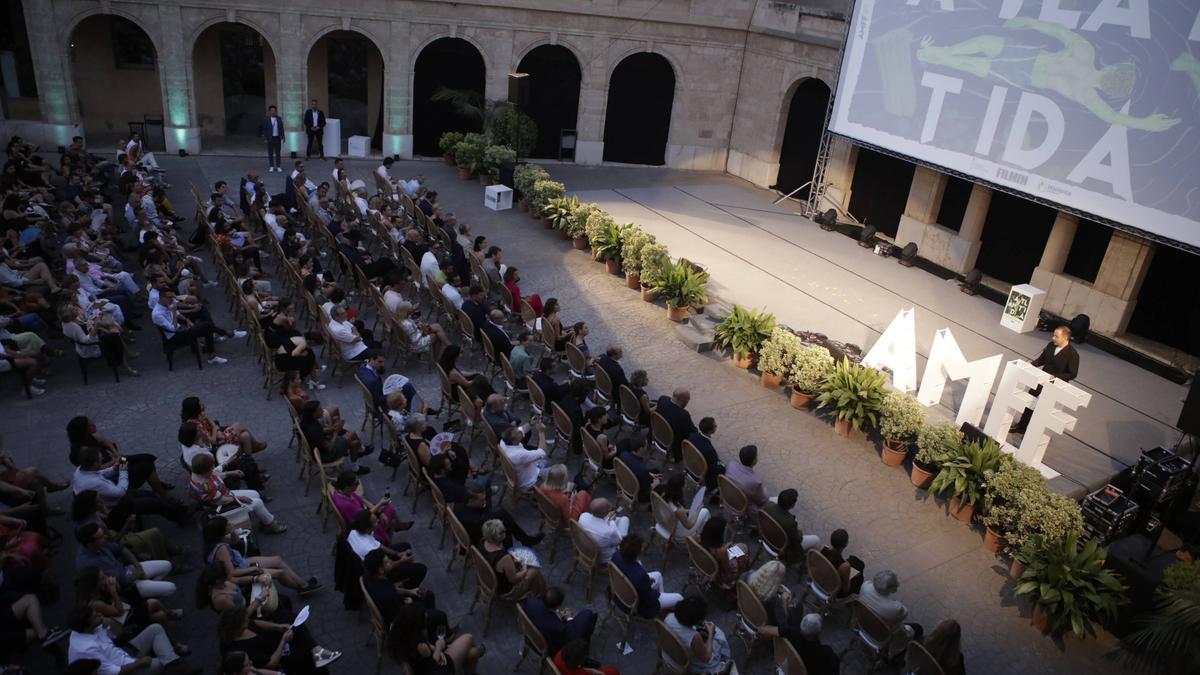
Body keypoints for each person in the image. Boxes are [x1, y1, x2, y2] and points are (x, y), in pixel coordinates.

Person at [202, 516, 320, 594]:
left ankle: (302, 585)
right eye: (228, 524)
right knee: (280, 572)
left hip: (241, 561)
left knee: (278, 560)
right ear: (222, 530)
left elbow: (235, 541)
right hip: (241, 569)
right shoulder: (221, 549)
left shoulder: (216, 540)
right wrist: (254, 568)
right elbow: (231, 573)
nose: (231, 523)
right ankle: (301, 587)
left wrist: (232, 531)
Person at [67, 605, 196, 675]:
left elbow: (119, 633)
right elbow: (114, 672)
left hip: (123, 653)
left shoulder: (89, 626)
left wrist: (109, 622)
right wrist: (141, 663)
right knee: (160, 663)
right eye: (96, 616)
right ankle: (176, 667)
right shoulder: (86, 650)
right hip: (125, 669)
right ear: (86, 625)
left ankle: (176, 667)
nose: (100, 615)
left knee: (155, 629)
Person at [217, 606, 339, 673]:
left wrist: (277, 627)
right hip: (276, 652)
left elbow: (255, 623)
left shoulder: (242, 626)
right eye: (244, 622)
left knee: (289, 618)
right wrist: (283, 641)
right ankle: (317, 653)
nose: (247, 622)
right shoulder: (240, 650)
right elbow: (270, 664)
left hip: (271, 638)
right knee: (303, 652)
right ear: (235, 628)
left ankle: (317, 651)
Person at [186, 454, 287, 533]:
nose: (213, 468)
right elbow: (222, 501)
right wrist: (240, 498)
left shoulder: (196, 475)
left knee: (255, 494)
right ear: (204, 471)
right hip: (223, 506)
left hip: (225, 494)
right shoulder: (206, 487)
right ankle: (271, 525)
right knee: (257, 503)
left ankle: (264, 519)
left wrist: (230, 469)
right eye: (211, 467)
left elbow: (214, 473)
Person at [1012, 325, 1080, 434]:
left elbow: (1072, 374)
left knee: (1044, 409)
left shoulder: (1073, 355)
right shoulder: (1050, 346)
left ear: (1065, 338)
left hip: (1055, 386)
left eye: (1056, 336)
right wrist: (1032, 365)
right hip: (1042, 379)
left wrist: (1056, 377)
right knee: (1031, 401)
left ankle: (1035, 431)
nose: (1053, 338)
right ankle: (1022, 426)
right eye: (1053, 335)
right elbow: (1041, 360)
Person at [387, 603, 483, 675]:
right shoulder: (421, 647)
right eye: (424, 616)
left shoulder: (397, 630)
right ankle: (478, 654)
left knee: (472, 653)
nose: (427, 616)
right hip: (438, 669)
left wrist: (435, 647)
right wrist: (438, 647)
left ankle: (476, 656)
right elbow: (433, 664)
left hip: (421, 666)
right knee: (469, 639)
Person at [347, 510, 427, 589]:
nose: (378, 520)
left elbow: (379, 545)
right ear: (368, 529)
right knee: (422, 569)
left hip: (376, 561)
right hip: (378, 573)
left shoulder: (355, 530)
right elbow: (386, 567)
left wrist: (396, 553)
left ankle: (404, 565)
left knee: (405, 546)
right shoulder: (369, 549)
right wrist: (402, 561)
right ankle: (408, 588)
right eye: (375, 522)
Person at [152, 290, 234, 365]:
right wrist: (173, 312)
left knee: (207, 325)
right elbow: (172, 328)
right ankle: (227, 334)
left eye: (173, 297)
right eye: (170, 297)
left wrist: (187, 320)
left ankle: (213, 354)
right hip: (175, 336)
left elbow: (178, 314)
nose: (172, 299)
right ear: (162, 298)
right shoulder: (157, 314)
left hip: (182, 329)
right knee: (207, 326)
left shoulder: (166, 304)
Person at [453, 481, 543, 548]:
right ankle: (522, 541)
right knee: (502, 517)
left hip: (477, 522)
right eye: (481, 500)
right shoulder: (474, 521)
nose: (484, 501)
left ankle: (519, 543)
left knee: (503, 520)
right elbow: (483, 525)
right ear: (471, 501)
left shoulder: (458, 507)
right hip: (478, 538)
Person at [329, 470, 411, 544]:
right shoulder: (346, 504)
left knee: (388, 510)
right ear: (347, 486)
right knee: (391, 513)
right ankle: (389, 539)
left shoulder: (343, 492)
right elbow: (364, 517)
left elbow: (362, 500)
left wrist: (380, 512)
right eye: (356, 484)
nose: (358, 485)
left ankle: (397, 527)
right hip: (363, 525)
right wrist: (380, 504)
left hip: (363, 514)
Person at [610, 534, 682, 617]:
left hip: (619, 590)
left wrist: (647, 582)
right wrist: (648, 585)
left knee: (658, 575)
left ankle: (663, 604)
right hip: (639, 604)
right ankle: (664, 609)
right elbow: (649, 598)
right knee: (679, 597)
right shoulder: (641, 576)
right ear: (637, 554)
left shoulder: (615, 556)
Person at [361, 549, 438, 627]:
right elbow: (401, 618)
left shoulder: (368, 576)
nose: (391, 561)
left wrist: (410, 591)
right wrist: (408, 603)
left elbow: (393, 589)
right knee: (429, 597)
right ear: (381, 571)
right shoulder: (388, 596)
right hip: (398, 622)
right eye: (387, 562)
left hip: (391, 606)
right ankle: (428, 626)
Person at [300, 399, 372, 476]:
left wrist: (333, 428)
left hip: (318, 448)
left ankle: (360, 453)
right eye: (320, 410)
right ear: (313, 413)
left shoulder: (307, 421)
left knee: (354, 439)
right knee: (354, 439)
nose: (323, 411)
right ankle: (357, 461)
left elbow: (322, 431)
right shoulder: (314, 430)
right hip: (325, 455)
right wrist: (335, 433)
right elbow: (329, 448)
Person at [664, 596, 732, 674]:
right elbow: (706, 657)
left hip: (669, 650)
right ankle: (723, 662)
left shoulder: (669, 617)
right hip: (683, 661)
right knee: (719, 635)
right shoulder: (694, 637)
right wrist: (710, 634)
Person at [480, 518, 545, 600]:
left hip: (489, 580)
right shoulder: (504, 557)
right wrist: (524, 570)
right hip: (505, 591)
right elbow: (513, 579)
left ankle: (537, 592)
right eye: (502, 531)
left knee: (520, 563)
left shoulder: (482, 542)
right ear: (496, 537)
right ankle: (540, 596)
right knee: (535, 571)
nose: (506, 531)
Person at [756, 611, 840, 675]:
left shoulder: (790, 632)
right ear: (818, 633)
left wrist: (759, 628)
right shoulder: (825, 652)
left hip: (786, 664)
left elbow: (763, 630)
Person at [522, 586, 597, 656]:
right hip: (547, 648)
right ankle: (583, 651)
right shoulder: (558, 627)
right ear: (559, 605)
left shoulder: (530, 602)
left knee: (588, 619)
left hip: (529, 635)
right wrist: (569, 618)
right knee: (588, 616)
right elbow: (571, 636)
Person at [859, 570, 922, 649]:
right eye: (896, 584)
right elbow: (904, 613)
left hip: (862, 625)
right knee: (918, 628)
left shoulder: (865, 586)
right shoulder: (895, 608)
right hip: (880, 637)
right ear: (890, 589)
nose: (898, 585)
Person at [761, 489, 819, 566]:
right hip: (782, 549)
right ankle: (804, 565)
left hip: (765, 538)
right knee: (816, 539)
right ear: (792, 505)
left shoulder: (767, 505)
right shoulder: (790, 522)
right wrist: (799, 530)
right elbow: (798, 540)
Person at [700, 516, 749, 598]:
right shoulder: (721, 551)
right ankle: (743, 574)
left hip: (710, 566)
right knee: (743, 550)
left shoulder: (702, 539)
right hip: (721, 574)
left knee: (739, 547)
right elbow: (728, 571)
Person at [654, 473, 711, 543]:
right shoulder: (679, 509)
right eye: (685, 484)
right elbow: (689, 525)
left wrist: (688, 511)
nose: (686, 486)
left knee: (695, 513)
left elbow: (675, 513)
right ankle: (699, 537)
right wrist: (698, 510)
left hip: (663, 522)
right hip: (676, 532)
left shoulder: (663, 494)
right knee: (705, 512)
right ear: (680, 488)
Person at [577, 498, 629, 565]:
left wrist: (607, 519)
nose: (611, 505)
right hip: (603, 558)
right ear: (605, 512)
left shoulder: (583, 516)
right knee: (625, 519)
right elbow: (619, 541)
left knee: (617, 520)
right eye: (608, 506)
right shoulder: (610, 531)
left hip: (586, 548)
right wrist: (611, 522)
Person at [499, 420, 548, 490]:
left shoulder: (503, 441)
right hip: (530, 481)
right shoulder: (519, 454)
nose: (520, 432)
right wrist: (541, 432)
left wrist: (531, 423)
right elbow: (542, 452)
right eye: (518, 433)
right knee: (559, 471)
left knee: (545, 462)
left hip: (523, 471)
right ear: (514, 440)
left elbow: (522, 429)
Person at [723, 445, 768, 518]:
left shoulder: (731, 465)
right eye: (756, 456)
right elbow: (763, 501)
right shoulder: (755, 482)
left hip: (727, 501)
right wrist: (764, 490)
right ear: (754, 460)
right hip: (743, 510)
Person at [820, 528, 864, 596]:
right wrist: (850, 576)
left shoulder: (823, 551)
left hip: (821, 580)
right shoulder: (845, 566)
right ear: (846, 544)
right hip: (834, 590)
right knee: (859, 574)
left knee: (854, 560)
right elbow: (846, 589)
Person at [686, 417, 724, 494]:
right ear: (711, 430)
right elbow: (713, 469)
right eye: (715, 426)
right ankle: (714, 490)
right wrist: (723, 467)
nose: (716, 426)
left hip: (689, 466)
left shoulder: (692, 436)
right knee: (723, 469)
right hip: (700, 474)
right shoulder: (709, 450)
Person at [657, 389, 696, 462]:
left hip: (657, 434)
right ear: (681, 400)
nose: (687, 402)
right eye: (687, 400)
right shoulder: (683, 415)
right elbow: (692, 431)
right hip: (670, 444)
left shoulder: (662, 399)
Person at [259, 105, 285, 173]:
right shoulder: (266, 119)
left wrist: (283, 137)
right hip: (270, 138)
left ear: (276, 111)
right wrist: (265, 138)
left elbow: (282, 128)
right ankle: (271, 166)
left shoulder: (279, 119)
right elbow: (264, 129)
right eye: (271, 111)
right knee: (270, 153)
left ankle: (278, 166)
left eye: (274, 111)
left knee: (278, 153)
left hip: (277, 138)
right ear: (269, 111)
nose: (273, 112)